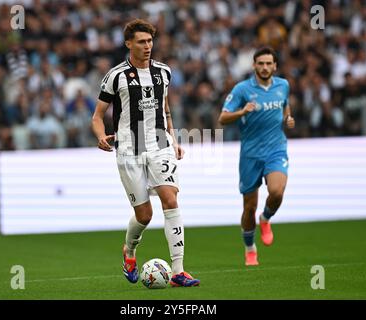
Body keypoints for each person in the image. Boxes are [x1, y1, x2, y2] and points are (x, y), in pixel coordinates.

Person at [92, 19, 200, 287]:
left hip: (159, 144)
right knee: (144, 215)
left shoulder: (164, 72)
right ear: (129, 44)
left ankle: (178, 271)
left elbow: (165, 109)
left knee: (170, 198)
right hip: (129, 149)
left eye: (150, 41)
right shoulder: (115, 76)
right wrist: (100, 136)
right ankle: (129, 251)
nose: (147, 46)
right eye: (141, 41)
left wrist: (173, 139)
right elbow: (97, 116)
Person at [218, 46, 295, 266]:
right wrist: (242, 112)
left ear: (275, 66)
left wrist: (287, 118)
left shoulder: (283, 85)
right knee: (249, 207)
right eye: (260, 63)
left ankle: (266, 218)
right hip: (250, 154)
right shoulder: (242, 90)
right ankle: (250, 248)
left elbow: (285, 106)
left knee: (277, 191)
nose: (264, 67)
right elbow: (222, 118)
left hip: (276, 149)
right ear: (254, 66)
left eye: (268, 63)